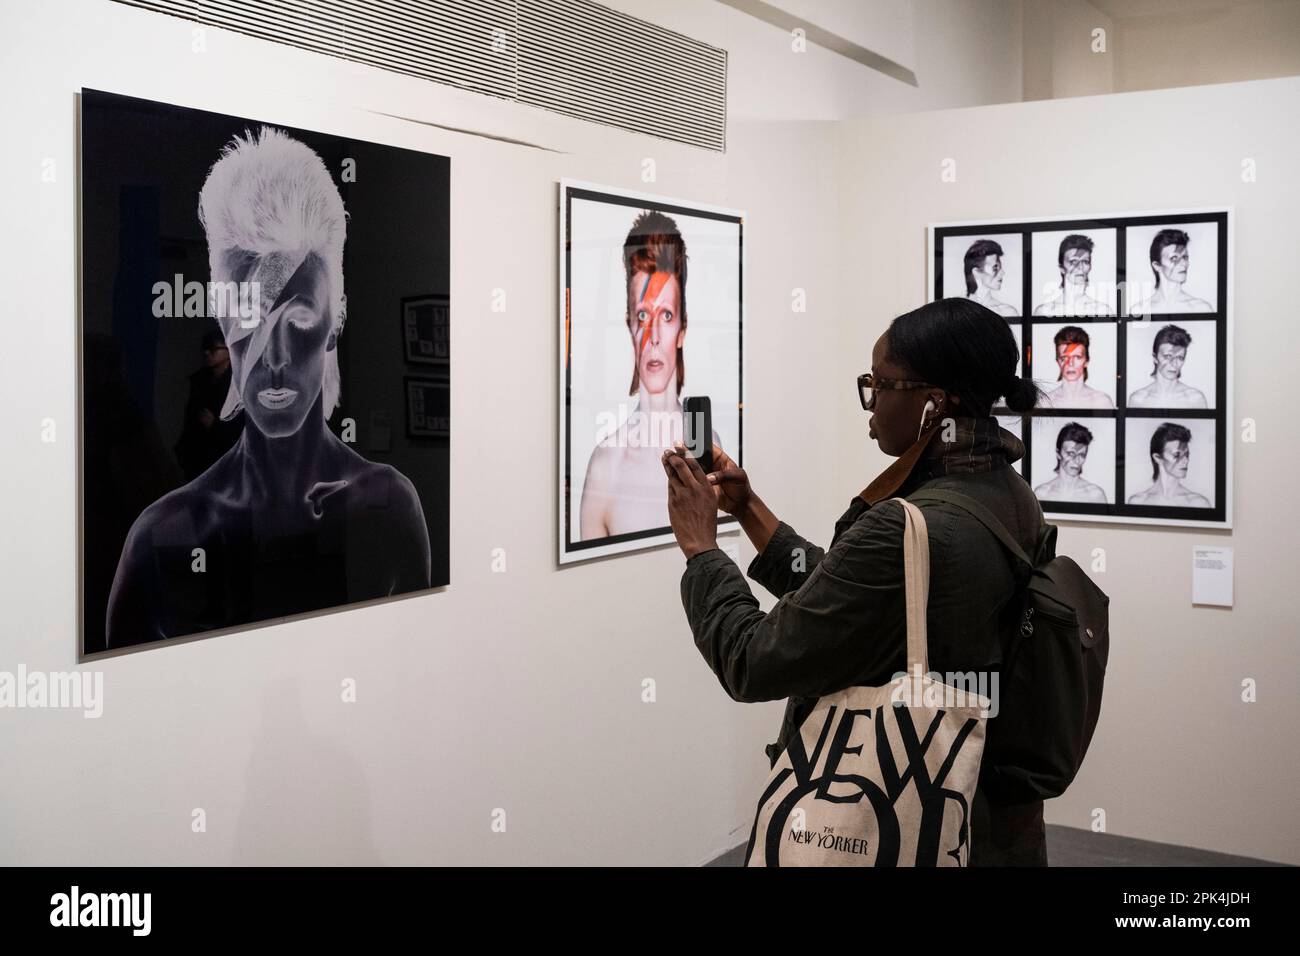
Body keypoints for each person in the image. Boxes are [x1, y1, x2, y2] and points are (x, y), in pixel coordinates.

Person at [663, 297, 1050, 866]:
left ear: (932, 403)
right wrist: (749, 509)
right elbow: (848, 591)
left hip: (897, 822)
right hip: (980, 815)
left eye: (880, 385)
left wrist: (701, 549)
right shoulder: (1009, 495)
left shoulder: (905, 527)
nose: (869, 406)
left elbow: (752, 660)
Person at [106, 126, 431, 647]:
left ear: (335, 320)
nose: (273, 361)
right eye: (249, 319)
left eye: (299, 321)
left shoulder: (389, 506)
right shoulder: (161, 535)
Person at [580, 210, 720, 539]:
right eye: (643, 315)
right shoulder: (606, 465)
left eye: (666, 315)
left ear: (682, 328)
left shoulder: (707, 443)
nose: (654, 335)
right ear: (629, 323)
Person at [174, 328, 244, 480]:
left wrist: (216, 425)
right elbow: (190, 418)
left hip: (225, 460)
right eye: (205, 348)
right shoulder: (199, 381)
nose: (207, 353)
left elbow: (242, 427)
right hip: (197, 459)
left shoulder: (238, 385)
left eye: (213, 348)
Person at [1126, 422, 1211, 506]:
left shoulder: (1199, 503)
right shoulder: (1138, 501)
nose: (1186, 460)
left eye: (1186, 454)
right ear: (1157, 458)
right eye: (1176, 455)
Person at [1129, 228, 1211, 314]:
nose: (1183, 263)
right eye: (1174, 258)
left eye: (1185, 257)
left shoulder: (1201, 308)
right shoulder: (1138, 310)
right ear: (1157, 266)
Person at [1127, 324, 1207, 408]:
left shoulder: (1195, 399)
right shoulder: (1138, 400)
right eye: (1168, 356)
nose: (1174, 363)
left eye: (1180, 357)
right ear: (1155, 358)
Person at [1034, 234, 1110, 316]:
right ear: (1061, 268)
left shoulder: (1103, 310)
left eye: (1085, 261)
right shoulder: (1044, 311)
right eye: (1073, 262)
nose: (1080, 267)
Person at [1038, 325, 1114, 409]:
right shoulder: (1045, 403)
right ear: (1058, 361)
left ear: (1086, 360)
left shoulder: (1102, 402)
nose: (1070, 363)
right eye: (1064, 358)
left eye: (1077, 357)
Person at [1033, 422, 1107, 503]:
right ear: (1058, 454)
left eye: (1081, 455)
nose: (1077, 460)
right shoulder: (1041, 494)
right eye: (1071, 453)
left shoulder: (1096, 495)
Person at [963, 239, 1018, 316]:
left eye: (1000, 267)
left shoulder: (1007, 312)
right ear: (976, 272)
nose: (1002, 273)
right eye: (995, 267)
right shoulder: (957, 310)